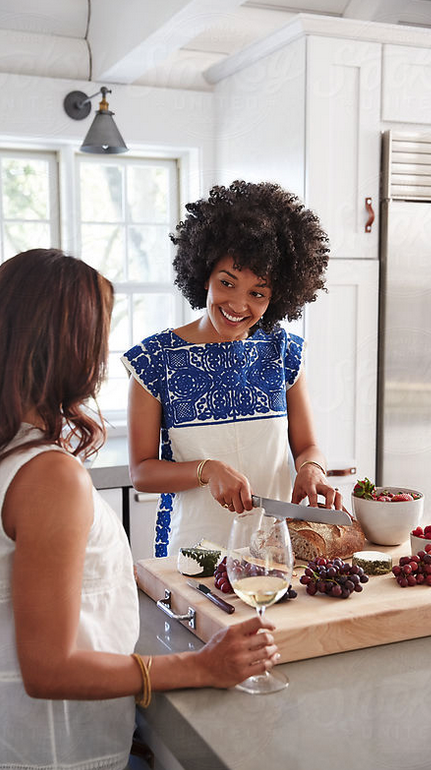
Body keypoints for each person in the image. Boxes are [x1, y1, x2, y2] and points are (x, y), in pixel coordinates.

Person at [0, 248, 279, 770]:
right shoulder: (48, 476)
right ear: (65, 344)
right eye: (98, 332)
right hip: (58, 763)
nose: (102, 353)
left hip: (15, 751)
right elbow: (49, 669)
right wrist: (200, 666)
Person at [122, 180, 342, 558]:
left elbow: (307, 446)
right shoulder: (154, 360)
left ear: (276, 298)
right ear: (204, 274)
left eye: (258, 293)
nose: (239, 304)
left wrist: (312, 470)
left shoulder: (283, 351)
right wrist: (206, 470)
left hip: (275, 551)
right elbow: (142, 472)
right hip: (193, 552)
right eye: (227, 283)